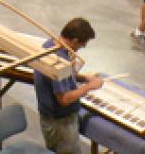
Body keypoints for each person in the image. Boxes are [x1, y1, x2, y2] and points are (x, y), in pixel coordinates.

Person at [34, 18, 104, 154]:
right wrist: (89, 87)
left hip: (52, 118)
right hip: (60, 124)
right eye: (82, 44)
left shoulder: (49, 44)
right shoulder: (58, 62)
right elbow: (64, 99)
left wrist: (83, 77)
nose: (82, 48)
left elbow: (63, 78)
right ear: (75, 40)